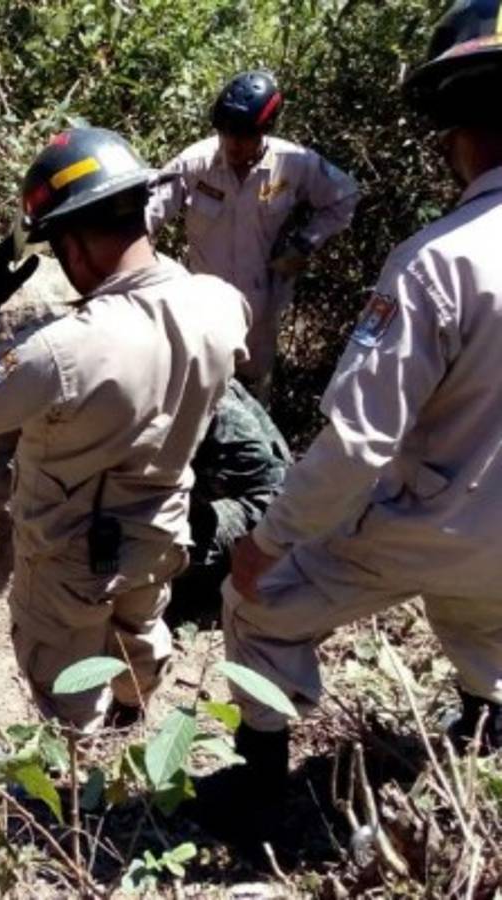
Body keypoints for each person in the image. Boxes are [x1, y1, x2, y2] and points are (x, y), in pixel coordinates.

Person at [197, 0, 502, 841]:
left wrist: (269, 542)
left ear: (454, 130)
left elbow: (359, 442)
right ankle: (483, 729)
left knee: (256, 604)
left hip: (438, 524)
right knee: (480, 613)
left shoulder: (438, 263)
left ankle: (261, 798)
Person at [0, 127, 248, 731]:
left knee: (65, 678)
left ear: (74, 243)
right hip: (160, 530)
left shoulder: (64, 349)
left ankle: (82, 790)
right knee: (140, 633)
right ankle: (131, 726)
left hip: (71, 554)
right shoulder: (219, 302)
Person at [147, 70, 359, 398]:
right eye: (225, 133)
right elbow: (148, 212)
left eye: (244, 135)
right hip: (204, 308)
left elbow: (344, 195)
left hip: (261, 310)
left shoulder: (294, 164)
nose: (232, 143)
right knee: (198, 394)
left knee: (253, 399)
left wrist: (305, 243)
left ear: (265, 131)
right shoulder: (195, 163)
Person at [173, 379, 290, 615]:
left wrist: (180, 495)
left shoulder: (204, 386)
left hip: (264, 512)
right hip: (235, 499)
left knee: (156, 538)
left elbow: (254, 466)